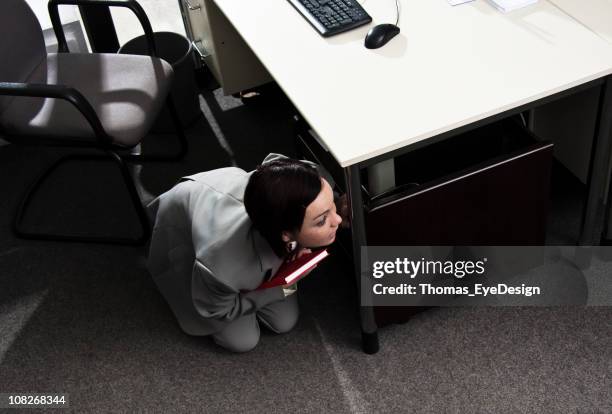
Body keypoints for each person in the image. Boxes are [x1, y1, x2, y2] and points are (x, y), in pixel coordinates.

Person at [147, 154, 343, 352]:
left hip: (244, 210)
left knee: (285, 322)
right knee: (243, 342)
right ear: (286, 234)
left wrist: (337, 203)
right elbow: (218, 310)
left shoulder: (300, 180)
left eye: (331, 208)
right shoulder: (220, 263)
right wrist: (284, 287)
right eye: (321, 220)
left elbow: (275, 159)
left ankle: (255, 291)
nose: (338, 220)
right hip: (189, 227)